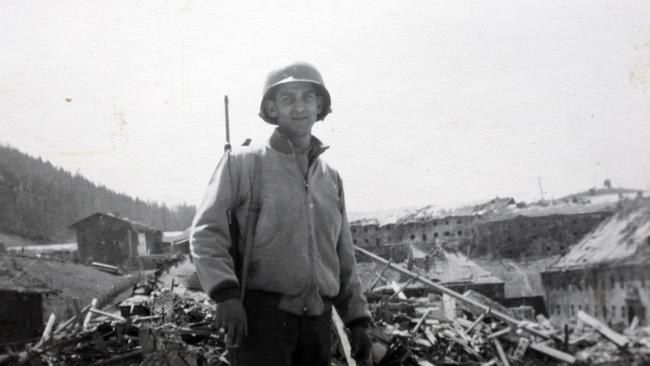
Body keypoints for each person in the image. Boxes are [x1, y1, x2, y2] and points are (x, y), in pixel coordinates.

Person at [190, 62, 372, 366]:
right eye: (288, 98)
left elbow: (343, 256)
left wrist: (358, 320)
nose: (299, 107)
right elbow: (207, 231)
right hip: (262, 322)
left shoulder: (331, 178)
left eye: (308, 97)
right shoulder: (243, 163)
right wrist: (225, 294)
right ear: (272, 109)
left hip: (316, 325)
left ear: (320, 106)